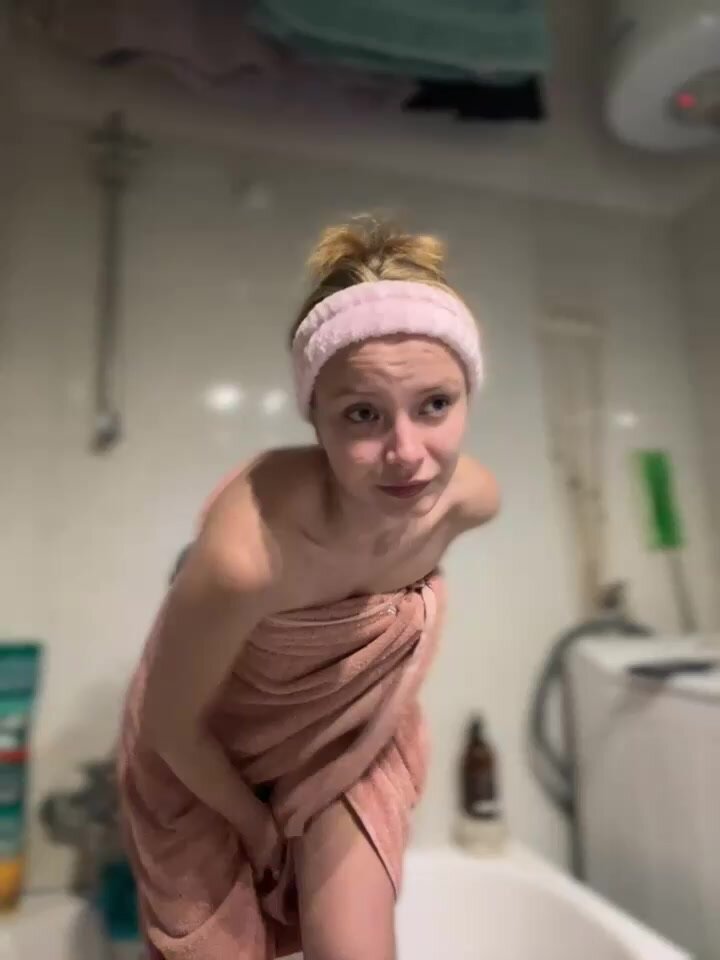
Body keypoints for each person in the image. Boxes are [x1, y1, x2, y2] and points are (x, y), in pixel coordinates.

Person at [117, 217, 500, 960]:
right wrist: (254, 824)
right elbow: (171, 725)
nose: (407, 454)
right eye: (362, 414)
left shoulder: (471, 502)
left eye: (435, 404)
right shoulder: (249, 556)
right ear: (316, 421)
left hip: (346, 738)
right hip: (207, 754)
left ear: (466, 397)